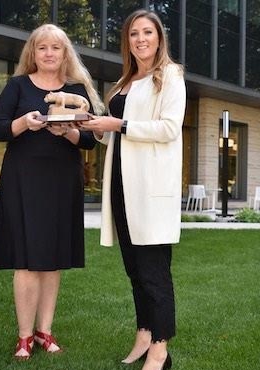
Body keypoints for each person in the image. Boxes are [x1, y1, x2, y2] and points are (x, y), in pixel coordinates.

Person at [0, 23, 104, 361]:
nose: (50, 53)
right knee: (26, 260)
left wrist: (67, 131)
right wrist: (26, 122)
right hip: (23, 179)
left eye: (56, 47)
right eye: (43, 48)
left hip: (61, 179)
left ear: (65, 52)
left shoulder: (76, 89)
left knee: (51, 260)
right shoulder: (17, 86)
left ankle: (45, 330)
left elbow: (90, 139)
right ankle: (24, 337)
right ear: (33, 53)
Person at [81, 9, 185, 370]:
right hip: (122, 187)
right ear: (127, 42)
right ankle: (144, 333)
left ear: (159, 38)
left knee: (155, 273)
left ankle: (160, 350)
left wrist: (119, 123)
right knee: (135, 270)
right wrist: (94, 128)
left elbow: (169, 128)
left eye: (147, 32)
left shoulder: (169, 76)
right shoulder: (124, 82)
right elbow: (117, 137)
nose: (141, 39)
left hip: (151, 190)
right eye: (134, 34)